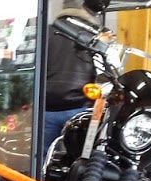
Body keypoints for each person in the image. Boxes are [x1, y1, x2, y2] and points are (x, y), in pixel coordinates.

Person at [42, 0, 107, 152]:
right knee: (79, 159)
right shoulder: (96, 36)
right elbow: (105, 75)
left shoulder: (46, 32)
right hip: (79, 109)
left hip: (45, 109)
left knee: (42, 159)